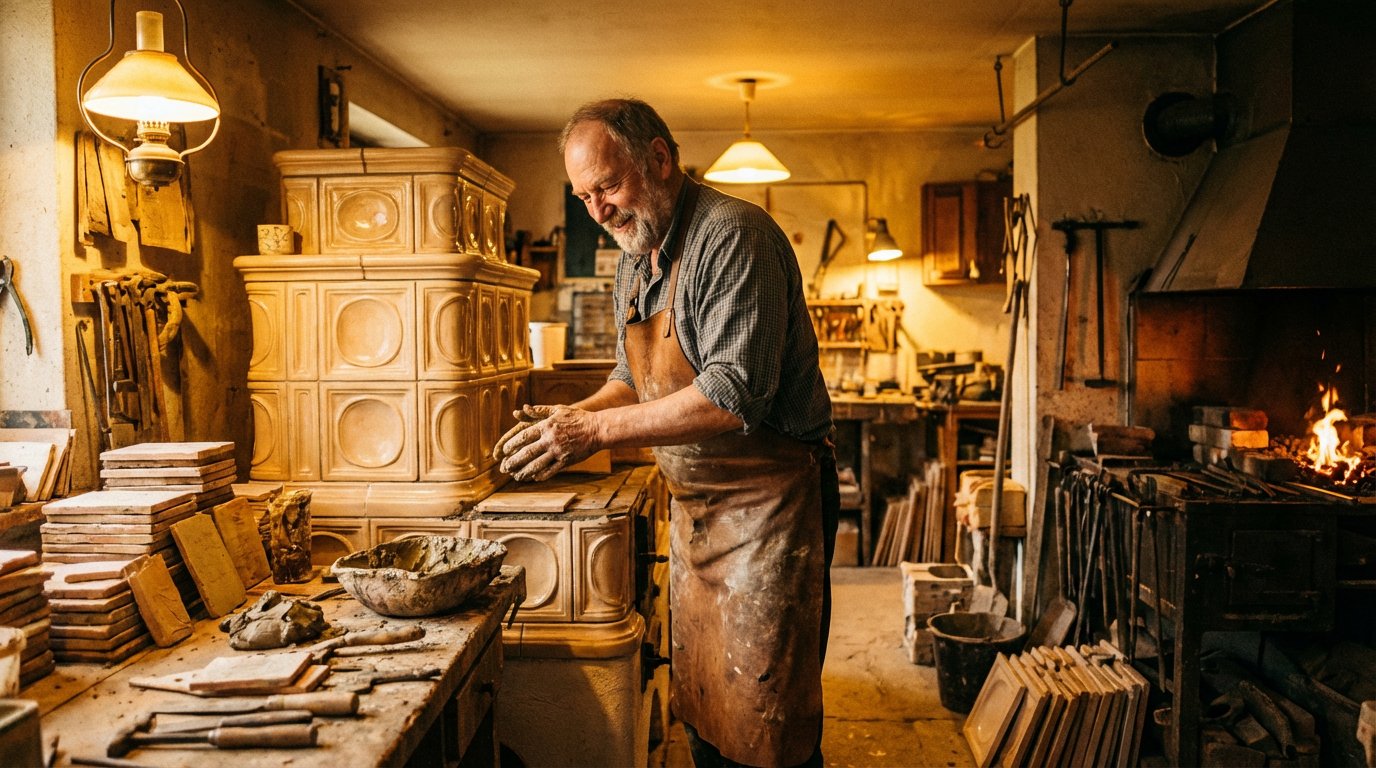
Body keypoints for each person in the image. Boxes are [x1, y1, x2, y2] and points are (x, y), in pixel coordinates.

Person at [493, 98, 839, 768]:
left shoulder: (735, 237)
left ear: (658, 158)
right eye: (584, 195)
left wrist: (591, 433)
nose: (599, 210)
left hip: (771, 511)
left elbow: (731, 395)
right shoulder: (637, 251)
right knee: (708, 711)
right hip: (700, 517)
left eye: (609, 186)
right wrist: (569, 422)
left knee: (768, 727)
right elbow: (632, 376)